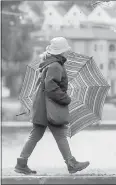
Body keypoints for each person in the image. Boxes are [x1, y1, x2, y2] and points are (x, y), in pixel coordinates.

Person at [14, 37, 90, 175]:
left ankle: (21, 163)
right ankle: (71, 163)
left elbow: (47, 86)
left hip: (42, 105)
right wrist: (65, 98)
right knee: (60, 134)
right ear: (61, 52)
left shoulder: (49, 64)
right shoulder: (55, 66)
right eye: (66, 50)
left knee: (36, 134)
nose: (67, 53)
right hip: (50, 107)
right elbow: (51, 87)